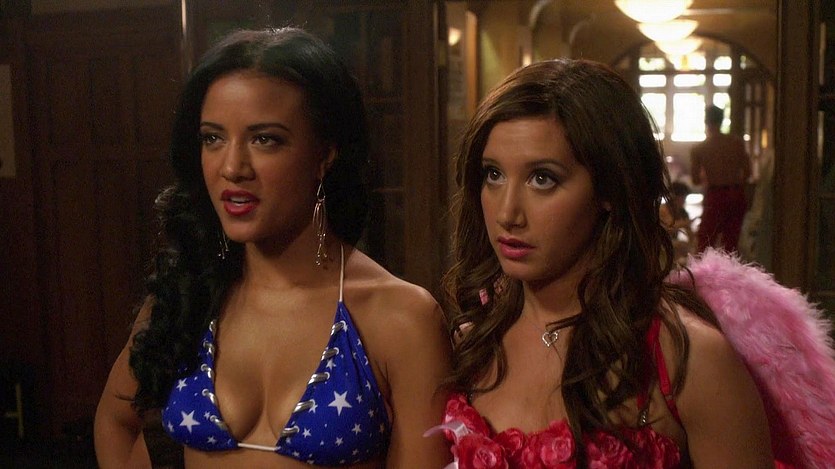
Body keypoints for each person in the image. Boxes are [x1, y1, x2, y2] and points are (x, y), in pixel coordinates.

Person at [94, 27, 451, 469]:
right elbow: (115, 420)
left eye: (265, 139)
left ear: (326, 153)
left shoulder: (402, 320)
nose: (232, 167)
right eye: (213, 138)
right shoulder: (189, 294)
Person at [439, 59, 772, 468]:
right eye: (493, 174)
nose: (507, 213)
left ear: (611, 189)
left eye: (542, 178)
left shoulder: (689, 359)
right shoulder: (471, 340)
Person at [690, 104, 751, 253]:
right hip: (736, 194)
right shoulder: (736, 143)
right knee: (731, 244)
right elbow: (748, 172)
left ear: (706, 121)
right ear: (722, 120)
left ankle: (705, 268)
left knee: (705, 242)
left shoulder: (700, 149)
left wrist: (710, 177)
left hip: (715, 195)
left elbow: (695, 180)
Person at [660, 181, 695, 263]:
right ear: (673, 197)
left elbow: (691, 235)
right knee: (681, 246)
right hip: (660, 245)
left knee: (689, 249)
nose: (684, 200)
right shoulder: (662, 209)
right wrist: (684, 223)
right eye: (683, 197)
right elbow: (667, 228)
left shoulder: (683, 213)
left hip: (672, 245)